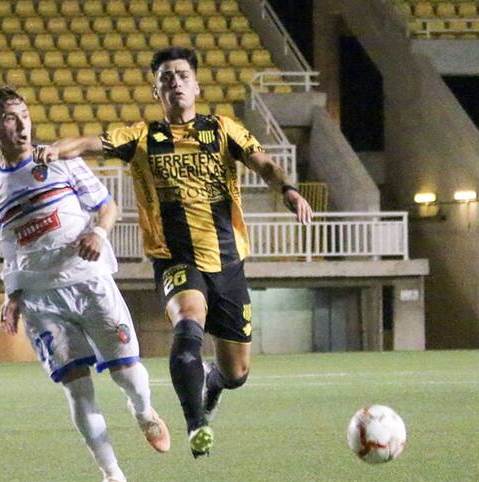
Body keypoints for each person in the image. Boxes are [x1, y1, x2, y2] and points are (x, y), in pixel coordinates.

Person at [34, 47, 313, 458]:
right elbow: (92, 141)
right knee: (187, 324)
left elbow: (264, 163)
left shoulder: (222, 129)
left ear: (196, 85)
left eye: (182, 75)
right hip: (176, 259)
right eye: (166, 77)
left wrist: (287, 189)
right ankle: (196, 423)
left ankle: (213, 383)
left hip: (229, 262)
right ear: (156, 90)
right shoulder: (142, 137)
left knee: (237, 374)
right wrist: (59, 148)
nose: (175, 82)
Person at [0, 86, 170, 482]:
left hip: (90, 282)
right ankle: (112, 475)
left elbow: (107, 206)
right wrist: (11, 295)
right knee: (76, 386)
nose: (22, 124)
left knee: (127, 374)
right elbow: (8, 245)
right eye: (11, 117)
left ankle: (144, 411)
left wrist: (99, 233)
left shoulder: (62, 160)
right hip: (41, 300)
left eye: (25, 114)